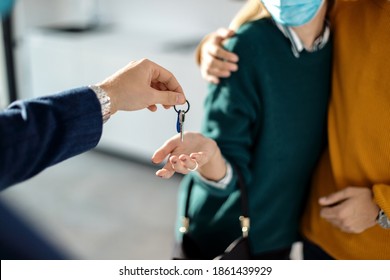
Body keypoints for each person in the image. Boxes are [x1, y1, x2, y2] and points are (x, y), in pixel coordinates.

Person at [192, 0, 390, 260]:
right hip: (313, 231)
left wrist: (382, 207)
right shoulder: (349, 7)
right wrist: (212, 48)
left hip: (373, 245)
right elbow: (259, 22)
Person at [152, 0, 332, 259]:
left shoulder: (340, 47)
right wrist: (210, 157)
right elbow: (228, 159)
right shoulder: (243, 47)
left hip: (281, 232)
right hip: (226, 234)